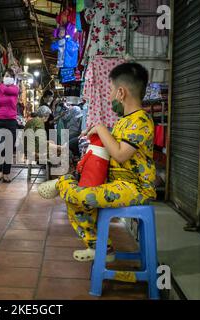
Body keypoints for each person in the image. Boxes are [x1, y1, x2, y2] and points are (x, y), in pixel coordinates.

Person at [56, 62, 156, 262]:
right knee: (72, 190)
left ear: (121, 92)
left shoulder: (141, 121)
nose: (110, 96)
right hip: (117, 184)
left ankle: (61, 186)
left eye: (111, 90)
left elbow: (120, 154)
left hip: (135, 188)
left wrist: (101, 129)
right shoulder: (123, 121)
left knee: (78, 195)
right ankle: (100, 247)